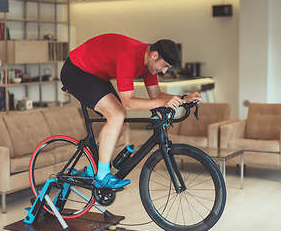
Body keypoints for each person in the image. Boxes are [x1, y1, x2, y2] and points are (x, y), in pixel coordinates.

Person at [60, 33, 201, 189]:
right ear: (154, 55)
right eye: (165, 66)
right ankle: (102, 176)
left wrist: (183, 98)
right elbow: (128, 103)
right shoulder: (128, 56)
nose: (164, 72)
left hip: (96, 76)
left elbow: (156, 95)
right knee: (117, 115)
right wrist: (163, 102)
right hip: (76, 71)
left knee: (121, 123)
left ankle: (92, 169)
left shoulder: (149, 65)